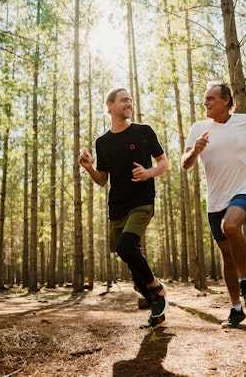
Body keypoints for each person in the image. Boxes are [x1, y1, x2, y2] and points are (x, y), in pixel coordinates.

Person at [181, 81, 246, 329]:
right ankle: (236, 308)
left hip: (242, 190)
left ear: (226, 100)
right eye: (205, 99)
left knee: (231, 226)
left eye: (210, 99)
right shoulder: (199, 128)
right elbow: (185, 164)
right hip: (215, 200)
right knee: (227, 258)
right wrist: (195, 150)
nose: (205, 103)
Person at [78, 87, 170, 328]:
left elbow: (164, 162)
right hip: (117, 206)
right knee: (126, 254)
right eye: (123, 101)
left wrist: (149, 172)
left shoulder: (143, 132)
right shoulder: (103, 142)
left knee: (126, 246)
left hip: (142, 202)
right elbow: (102, 179)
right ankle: (156, 312)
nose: (129, 104)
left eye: (130, 100)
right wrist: (88, 167)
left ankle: (156, 289)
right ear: (109, 106)